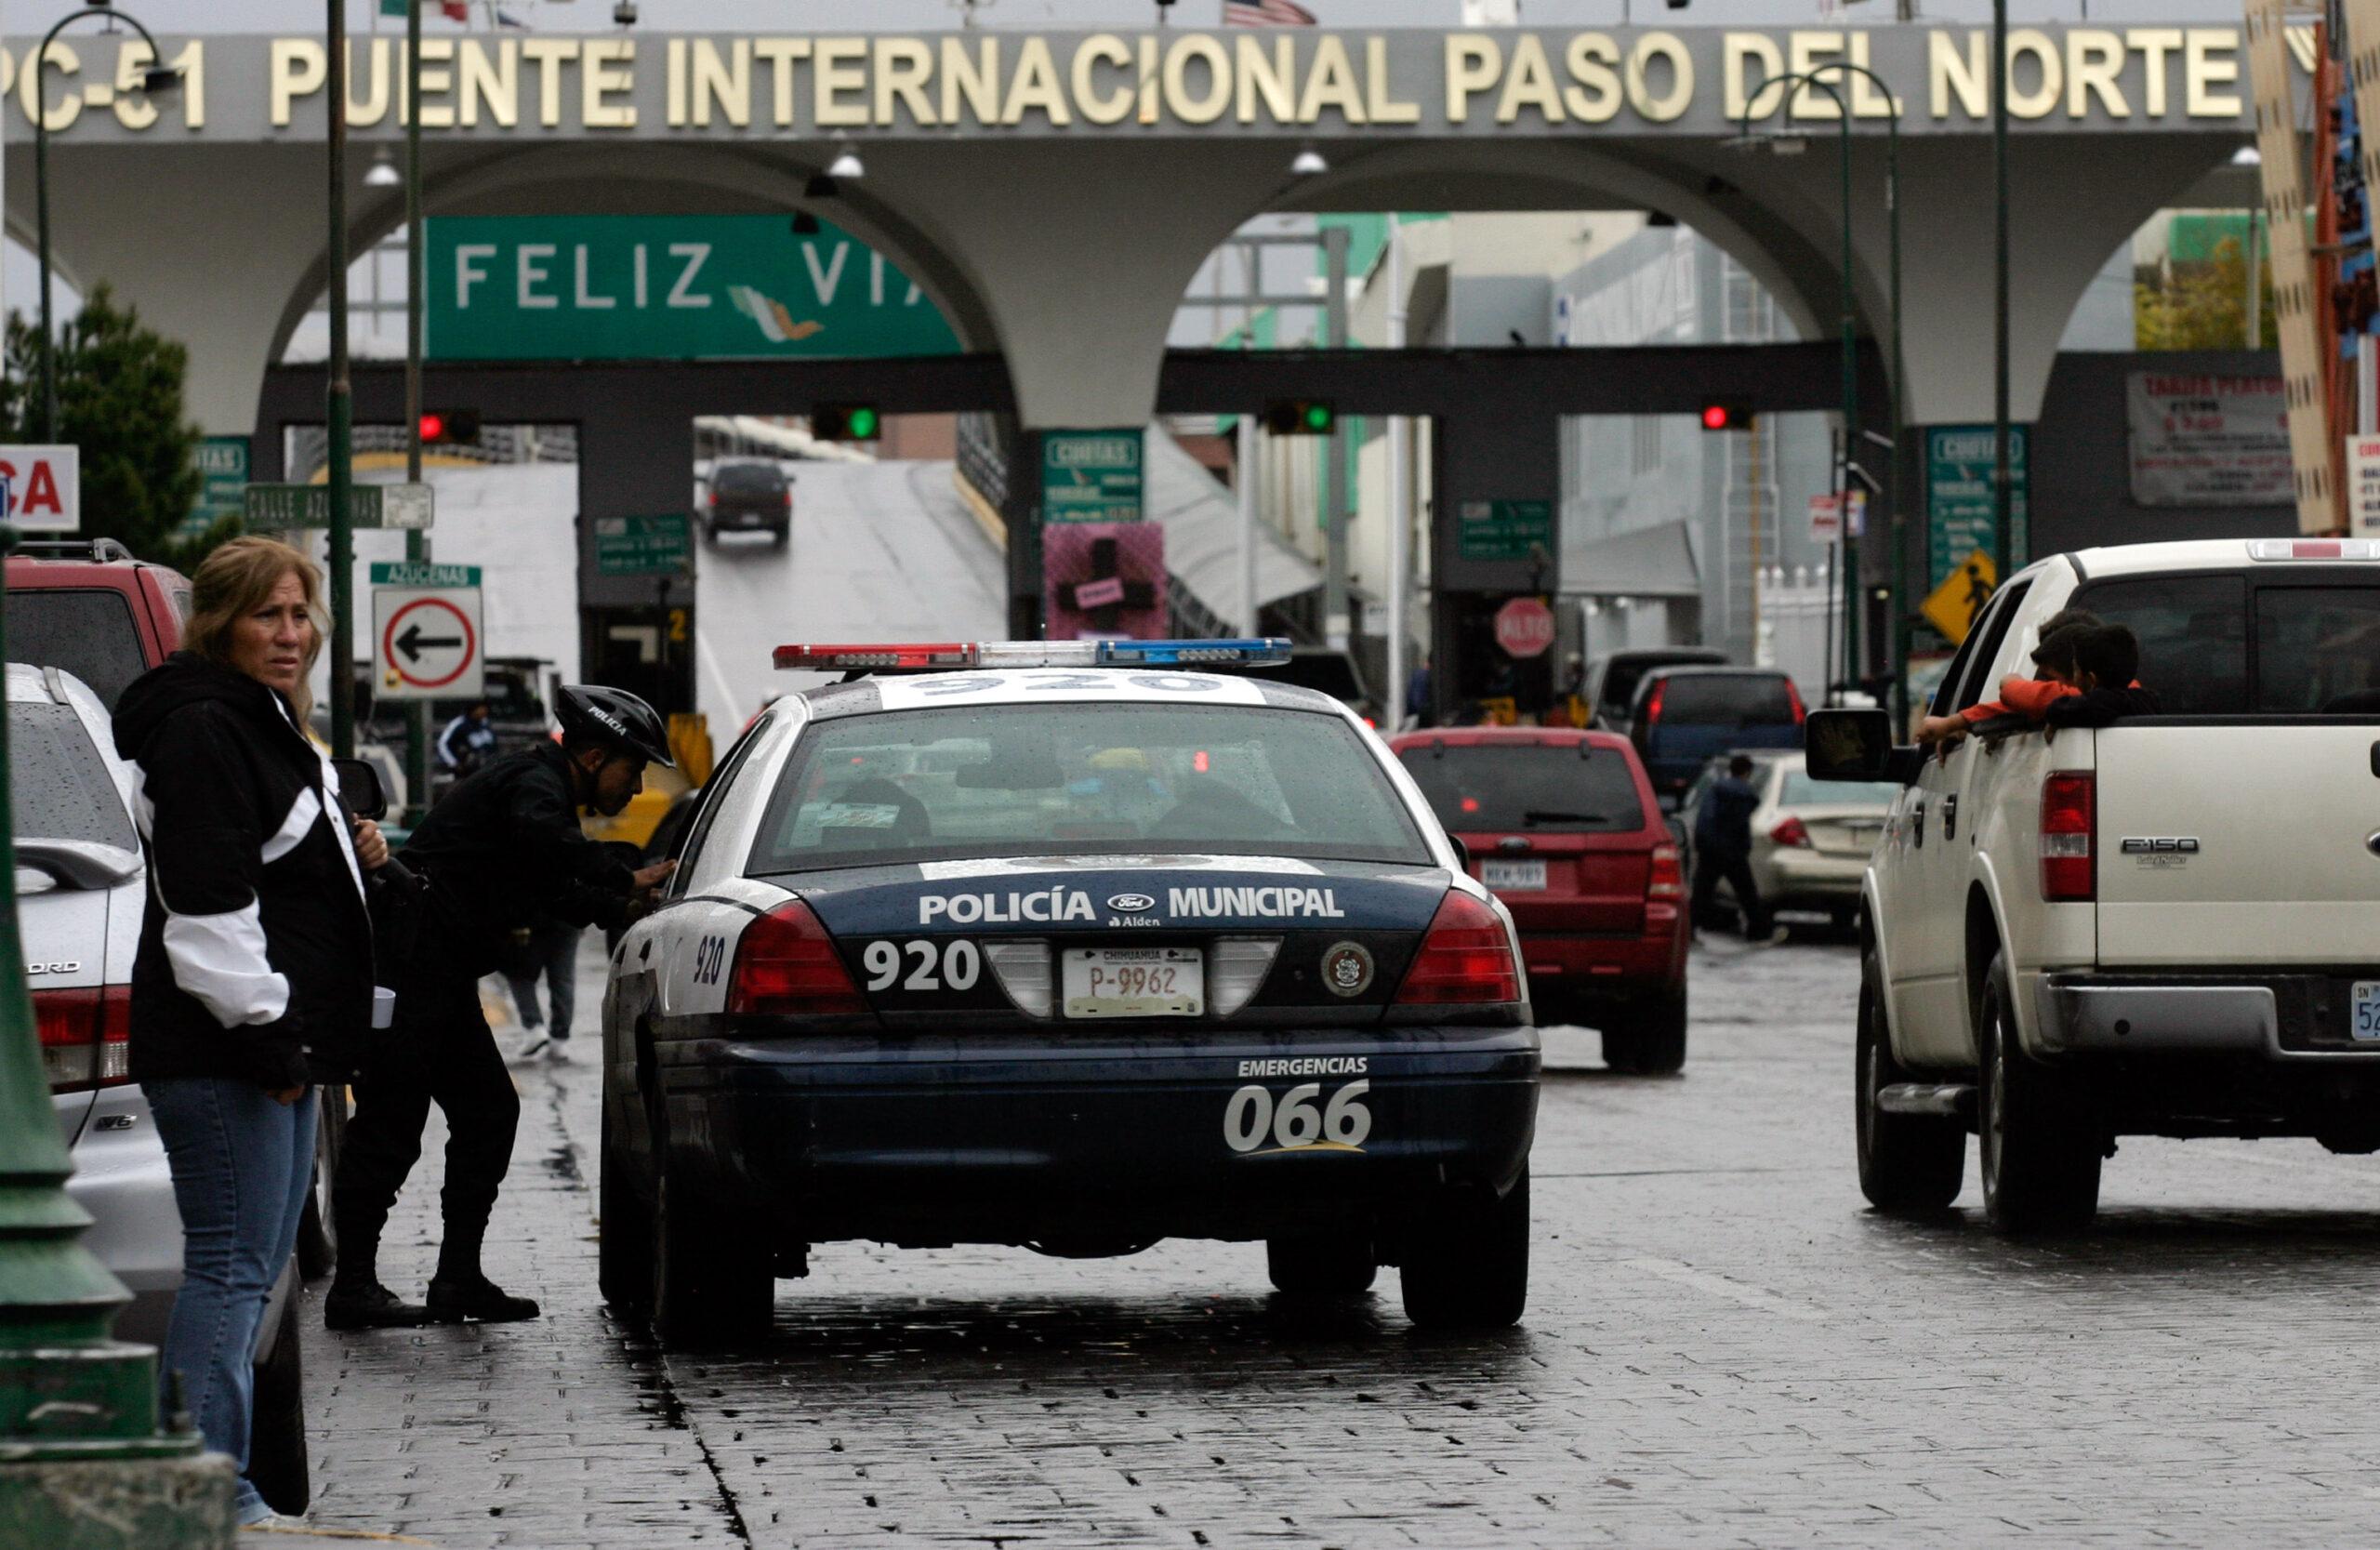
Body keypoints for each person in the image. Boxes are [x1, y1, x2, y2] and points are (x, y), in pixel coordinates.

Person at [112, 537, 389, 1528]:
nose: (290, 633)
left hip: (274, 1046)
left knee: (255, 1272)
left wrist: (349, 843)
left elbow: (270, 865)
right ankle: (202, 1488)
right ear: (218, 623)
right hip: (230, 1051)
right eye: (267, 614)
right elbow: (208, 906)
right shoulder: (204, 729)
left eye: (300, 614)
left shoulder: (258, 722)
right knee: (231, 1268)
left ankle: (206, 1478)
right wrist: (273, 1040)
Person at [325, 685, 678, 1330]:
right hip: (409, 967)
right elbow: (544, 841)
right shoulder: (534, 785)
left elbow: (552, 888)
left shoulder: (541, 789)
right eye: (635, 768)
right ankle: (352, 1285)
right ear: (596, 755)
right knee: (391, 1120)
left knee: (489, 1110)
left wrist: (623, 904)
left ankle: (458, 1277)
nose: (636, 787)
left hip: (442, 971)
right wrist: (623, 878)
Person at [1690, 754, 1779, 945]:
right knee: (1748, 894)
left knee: (1701, 894)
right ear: (1747, 772)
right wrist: (1743, 847)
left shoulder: (1716, 790)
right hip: (1733, 852)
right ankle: (1759, 931)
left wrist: (1702, 844)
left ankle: (1688, 931)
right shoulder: (1746, 794)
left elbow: (1705, 818)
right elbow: (1741, 825)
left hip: (1711, 850)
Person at [504, 915, 583, 1061]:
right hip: (568, 918)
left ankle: (533, 1025)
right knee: (563, 979)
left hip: (533, 919)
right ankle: (559, 1039)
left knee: (518, 972)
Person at [437, 699, 496, 778]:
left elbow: (493, 744)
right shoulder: (459, 724)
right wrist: (454, 763)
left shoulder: (485, 723)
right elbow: (443, 744)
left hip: (487, 767)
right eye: (481, 708)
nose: (484, 711)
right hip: (465, 769)